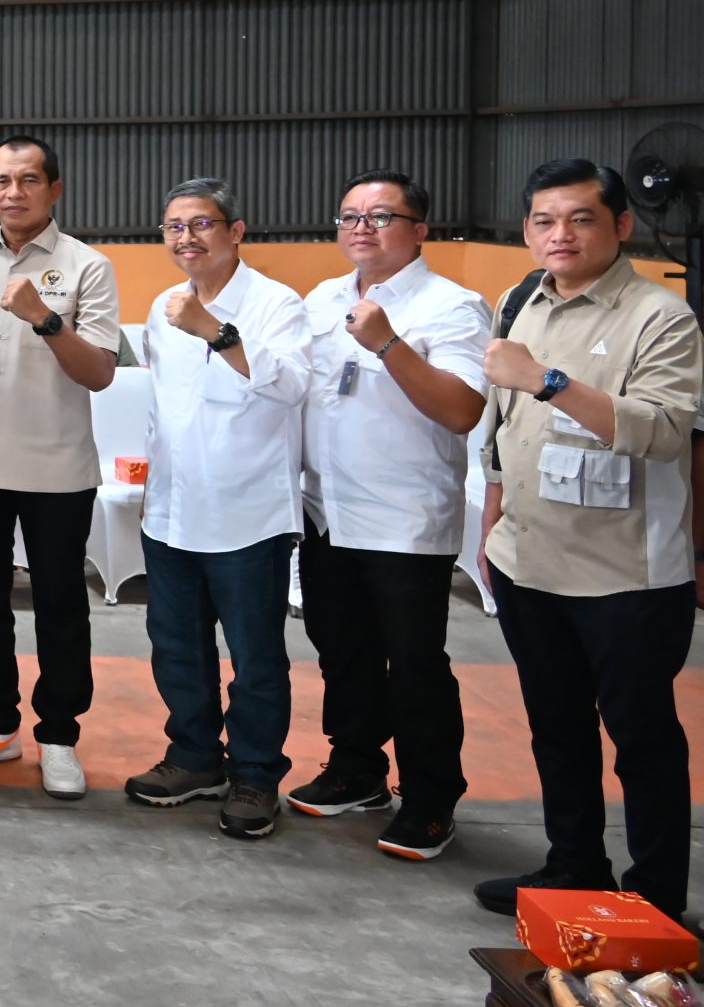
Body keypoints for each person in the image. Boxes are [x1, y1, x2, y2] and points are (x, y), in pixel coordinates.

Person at [473, 159, 702, 919]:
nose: (560, 235)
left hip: (625, 576)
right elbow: (503, 425)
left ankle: (656, 898)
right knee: (557, 728)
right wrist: (493, 519)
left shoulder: (660, 317)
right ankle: (574, 865)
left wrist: (549, 380)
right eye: (544, 220)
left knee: (642, 739)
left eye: (580, 218)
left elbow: (663, 432)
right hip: (528, 561)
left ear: (621, 225)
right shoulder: (520, 301)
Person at [291, 169, 489, 862]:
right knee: (341, 649)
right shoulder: (322, 299)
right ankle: (357, 769)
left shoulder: (452, 305)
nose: (362, 228)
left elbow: (462, 409)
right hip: (327, 510)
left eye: (381, 216)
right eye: (350, 216)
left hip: (404, 516)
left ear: (420, 228)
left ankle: (431, 799)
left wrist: (387, 343)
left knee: (414, 664)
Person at [0, 135, 120, 799]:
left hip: (55, 468)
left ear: (54, 188)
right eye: (3, 180)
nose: (14, 192)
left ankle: (59, 735)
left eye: (29, 179)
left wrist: (46, 319)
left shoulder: (87, 267)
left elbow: (100, 371)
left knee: (60, 604)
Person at [128, 179, 311, 841]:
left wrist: (218, 332)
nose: (187, 238)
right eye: (174, 226)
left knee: (255, 656)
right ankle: (195, 756)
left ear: (235, 231)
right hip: (172, 511)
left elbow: (293, 385)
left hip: (248, 515)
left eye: (201, 224)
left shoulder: (276, 303)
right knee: (176, 647)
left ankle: (256, 774)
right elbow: (165, 404)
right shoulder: (163, 307)